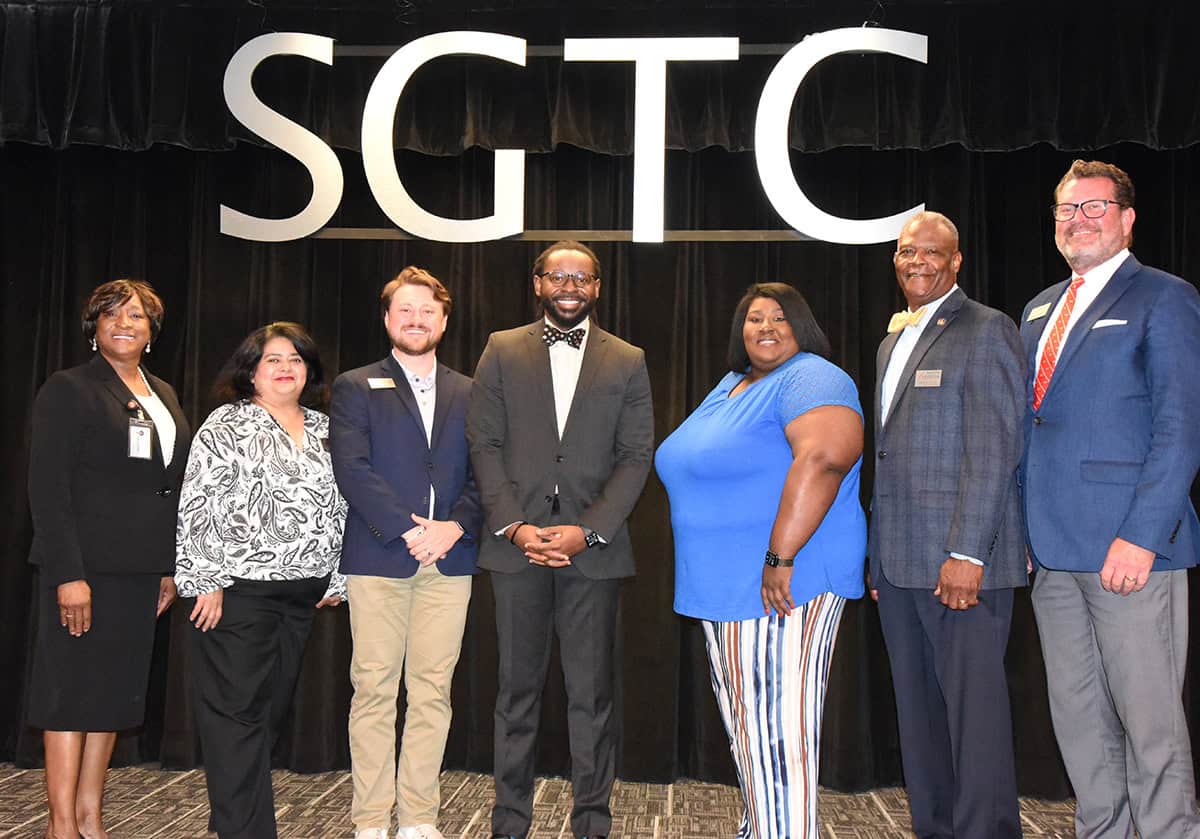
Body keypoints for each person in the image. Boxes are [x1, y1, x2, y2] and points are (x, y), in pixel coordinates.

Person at [1020, 160, 1200, 838]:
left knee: (1150, 722)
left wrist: (1143, 533)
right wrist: (1025, 537)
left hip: (1130, 549)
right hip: (1053, 555)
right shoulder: (1038, 308)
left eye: (1094, 208)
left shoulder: (1163, 296)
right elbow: (1027, 433)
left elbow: (1182, 426)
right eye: (1067, 209)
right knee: (1079, 720)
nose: (1078, 220)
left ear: (1126, 219)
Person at [655, 282, 865, 839]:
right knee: (750, 731)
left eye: (779, 317)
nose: (765, 327)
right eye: (754, 318)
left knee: (777, 733)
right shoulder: (734, 384)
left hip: (782, 583)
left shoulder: (814, 376)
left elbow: (824, 459)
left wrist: (780, 555)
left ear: (803, 326)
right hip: (725, 588)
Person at [466, 240, 654, 839]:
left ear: (597, 288)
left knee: (591, 700)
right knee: (515, 696)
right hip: (515, 551)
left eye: (583, 276)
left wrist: (588, 531)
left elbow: (635, 456)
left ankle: (592, 824)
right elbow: (484, 445)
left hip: (591, 556)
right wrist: (517, 526)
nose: (570, 285)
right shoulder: (501, 349)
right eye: (558, 275)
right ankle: (508, 823)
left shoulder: (627, 359)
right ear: (537, 283)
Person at [868, 212, 1026, 838]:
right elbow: (888, 455)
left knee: (975, 722)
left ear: (956, 261)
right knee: (920, 718)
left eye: (931, 252)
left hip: (961, 566)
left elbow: (994, 451)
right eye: (907, 251)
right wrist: (879, 558)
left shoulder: (988, 330)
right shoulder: (890, 342)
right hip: (900, 564)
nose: (917, 261)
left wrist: (967, 552)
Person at [26, 279, 189, 839]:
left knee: (113, 697)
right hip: (84, 570)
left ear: (152, 331)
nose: (126, 322)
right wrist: (68, 575)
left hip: (142, 573)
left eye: (138, 315)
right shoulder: (68, 389)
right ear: (93, 327)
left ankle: (92, 818)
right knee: (72, 695)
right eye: (113, 314)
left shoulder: (162, 392)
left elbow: (169, 487)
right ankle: (61, 824)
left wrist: (168, 566)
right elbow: (48, 489)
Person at [175, 321, 347, 839]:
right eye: (272, 359)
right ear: (250, 370)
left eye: (295, 360)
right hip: (239, 594)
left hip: (303, 597)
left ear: (309, 371)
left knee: (264, 718)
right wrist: (205, 579)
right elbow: (199, 502)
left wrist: (337, 576)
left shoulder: (325, 429)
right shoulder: (226, 424)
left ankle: (233, 815)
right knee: (237, 720)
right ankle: (245, 830)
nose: (285, 368)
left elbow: (343, 508)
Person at [330, 267, 481, 839]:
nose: (416, 319)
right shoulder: (354, 385)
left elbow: (485, 473)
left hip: (451, 559)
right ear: (388, 318)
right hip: (380, 556)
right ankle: (370, 820)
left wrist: (454, 527)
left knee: (432, 691)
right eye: (405, 310)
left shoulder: (472, 390)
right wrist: (406, 529)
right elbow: (353, 468)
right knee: (373, 689)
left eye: (427, 311)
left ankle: (419, 817)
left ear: (443, 321)